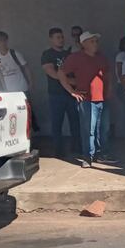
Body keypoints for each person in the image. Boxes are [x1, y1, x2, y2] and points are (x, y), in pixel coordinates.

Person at [60, 32, 115, 168]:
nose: (95, 44)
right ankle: (88, 156)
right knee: (88, 129)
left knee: (104, 128)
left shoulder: (101, 57)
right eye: (92, 41)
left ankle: (103, 154)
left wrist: (110, 89)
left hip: (103, 98)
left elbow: (108, 74)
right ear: (83, 43)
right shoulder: (75, 58)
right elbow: (61, 73)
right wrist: (71, 91)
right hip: (87, 99)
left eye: (96, 41)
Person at [41, 27, 80, 158]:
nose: (61, 40)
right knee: (57, 123)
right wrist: (69, 81)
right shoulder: (47, 54)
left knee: (75, 122)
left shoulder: (68, 54)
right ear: (51, 39)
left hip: (71, 94)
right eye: (57, 37)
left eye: (62, 37)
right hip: (56, 94)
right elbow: (51, 72)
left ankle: (77, 148)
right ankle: (58, 151)